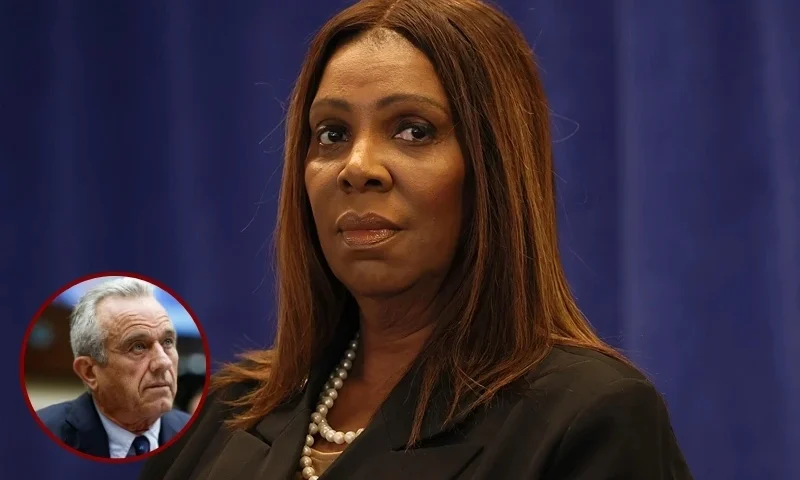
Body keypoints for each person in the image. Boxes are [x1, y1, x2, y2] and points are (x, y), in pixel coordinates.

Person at [141, 0, 693, 478]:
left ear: (492, 168)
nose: (357, 168)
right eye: (332, 134)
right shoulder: (218, 412)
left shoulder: (591, 418)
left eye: (413, 130)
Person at [37, 277, 190, 458]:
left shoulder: (196, 435)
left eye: (167, 342)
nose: (163, 362)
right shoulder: (40, 439)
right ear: (89, 372)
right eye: (138, 346)